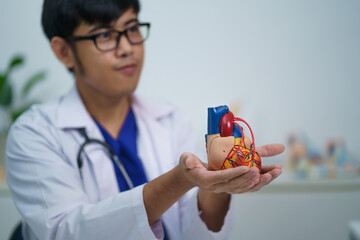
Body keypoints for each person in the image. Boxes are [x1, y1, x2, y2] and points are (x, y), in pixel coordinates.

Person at [6, 0, 285, 239]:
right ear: (64, 51)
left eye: (132, 29)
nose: (127, 47)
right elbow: (65, 232)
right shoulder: (34, 133)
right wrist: (180, 180)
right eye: (104, 35)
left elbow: (197, 229)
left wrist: (220, 184)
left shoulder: (170, 120)